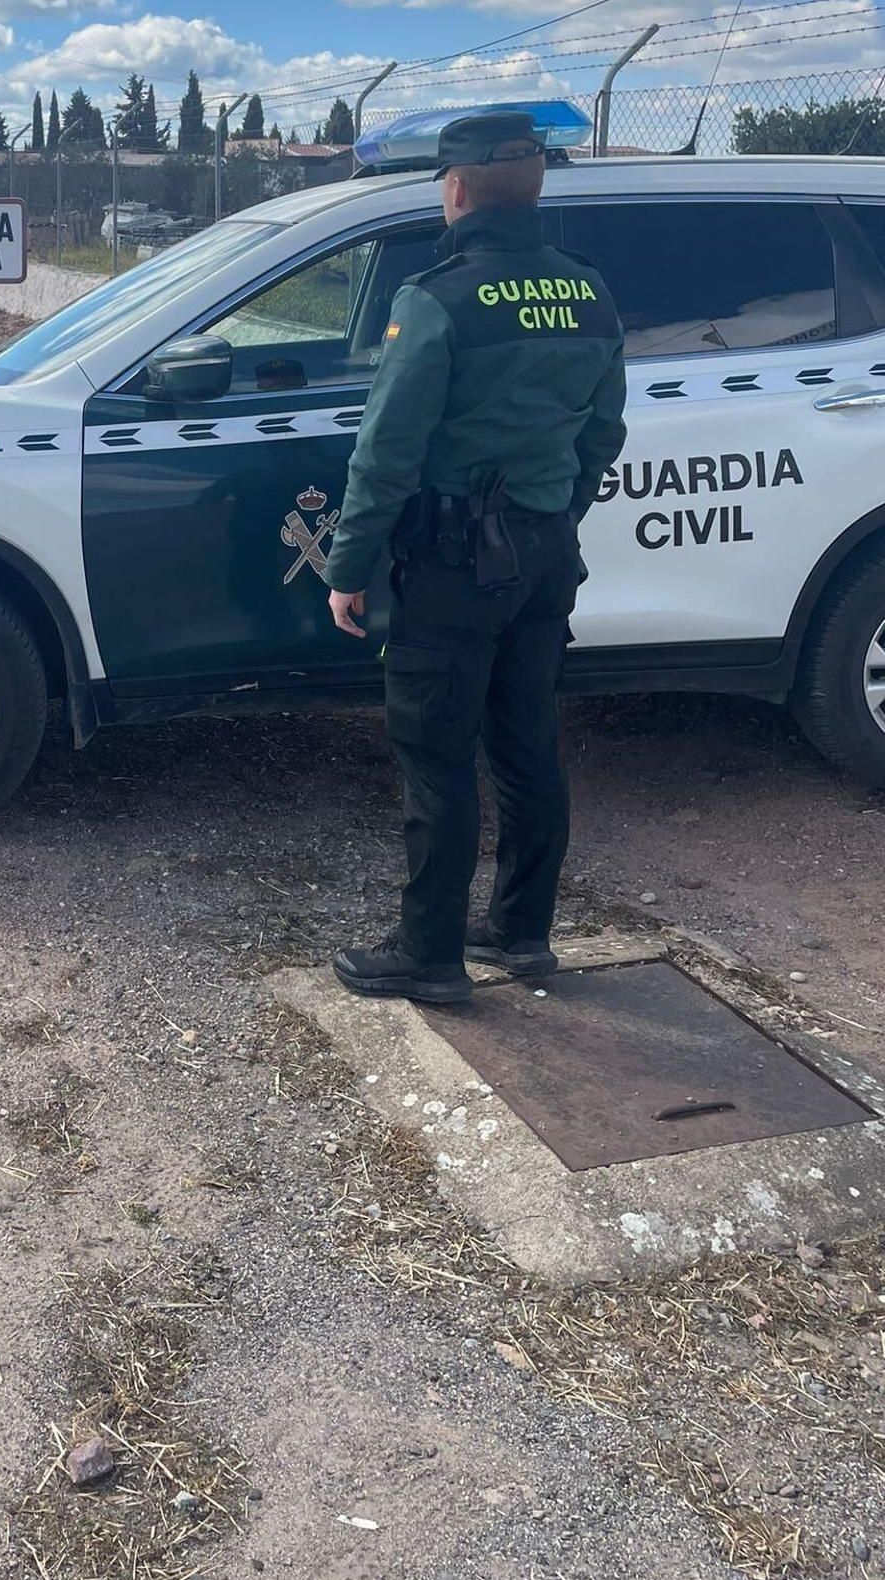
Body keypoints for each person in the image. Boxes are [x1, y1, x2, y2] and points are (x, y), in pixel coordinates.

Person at [324, 110, 627, 1005]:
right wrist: (552, 513)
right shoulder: (589, 292)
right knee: (528, 743)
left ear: (455, 190)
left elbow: (387, 451)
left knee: (437, 751)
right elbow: (604, 433)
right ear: (533, 185)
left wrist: (348, 566)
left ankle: (429, 953)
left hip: (456, 564)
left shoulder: (438, 300)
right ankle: (524, 934)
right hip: (543, 553)